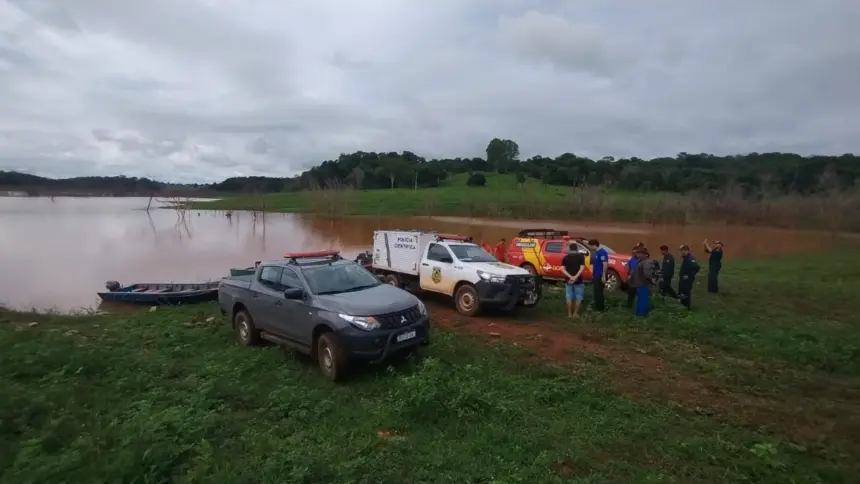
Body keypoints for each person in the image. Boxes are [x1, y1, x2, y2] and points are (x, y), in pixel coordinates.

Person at [560, 243, 586, 318]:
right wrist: (575, 277)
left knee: (569, 297)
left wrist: (570, 277)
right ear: (577, 249)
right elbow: (582, 268)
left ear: (570, 249)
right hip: (579, 280)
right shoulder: (581, 257)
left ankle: (569, 314)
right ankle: (575, 313)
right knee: (578, 297)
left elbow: (562, 269)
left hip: (569, 280)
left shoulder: (566, 257)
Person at [628, 248, 655, 317]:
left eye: (639, 253)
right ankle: (640, 313)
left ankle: (642, 314)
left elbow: (647, 274)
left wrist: (652, 280)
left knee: (643, 300)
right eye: (637, 253)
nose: (638, 255)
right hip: (639, 284)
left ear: (644, 254)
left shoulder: (647, 262)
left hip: (644, 284)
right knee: (640, 299)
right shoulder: (640, 261)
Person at [587, 239, 609, 312]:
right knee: (596, 292)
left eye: (590, 246)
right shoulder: (596, 252)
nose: (590, 247)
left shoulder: (602, 252)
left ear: (594, 245)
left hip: (600, 275)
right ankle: (597, 306)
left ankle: (600, 308)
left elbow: (605, 264)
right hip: (596, 275)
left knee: (599, 292)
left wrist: (603, 275)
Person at [678, 244, 700, 309]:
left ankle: (687, 307)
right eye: (680, 250)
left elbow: (697, 268)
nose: (681, 252)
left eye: (682, 250)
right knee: (682, 292)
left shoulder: (690, 259)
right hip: (683, 279)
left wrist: (689, 276)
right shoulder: (686, 258)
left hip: (687, 280)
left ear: (686, 250)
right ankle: (683, 306)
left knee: (686, 293)